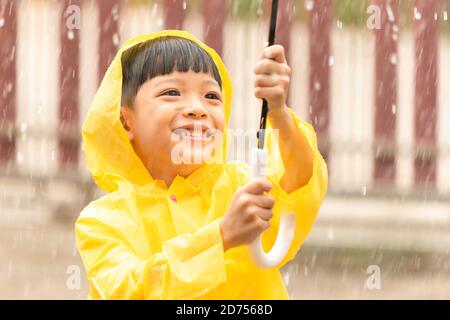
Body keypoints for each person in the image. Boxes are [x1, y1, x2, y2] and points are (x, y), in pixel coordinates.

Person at [75, 30, 328, 299]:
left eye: (211, 96)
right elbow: (130, 291)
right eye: (172, 92)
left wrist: (278, 111)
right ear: (126, 122)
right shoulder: (103, 222)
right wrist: (222, 236)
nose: (198, 108)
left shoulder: (240, 187)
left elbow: (299, 179)